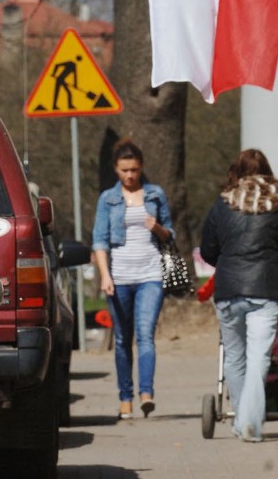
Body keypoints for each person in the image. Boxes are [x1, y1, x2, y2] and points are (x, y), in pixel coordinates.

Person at [200, 148, 278, 443]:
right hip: (265, 289)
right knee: (259, 356)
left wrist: (228, 260)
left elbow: (207, 249)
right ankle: (250, 424)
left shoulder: (223, 204)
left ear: (238, 170)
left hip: (228, 290)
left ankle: (239, 420)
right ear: (267, 171)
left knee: (234, 357)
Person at [92, 138, 174, 420]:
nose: (130, 175)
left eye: (135, 170)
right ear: (116, 169)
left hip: (150, 274)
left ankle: (146, 395)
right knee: (124, 339)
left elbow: (170, 235)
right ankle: (125, 397)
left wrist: (158, 227)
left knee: (146, 336)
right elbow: (99, 241)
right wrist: (105, 276)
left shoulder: (155, 195)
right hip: (120, 278)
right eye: (125, 170)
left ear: (141, 169)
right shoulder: (108, 199)